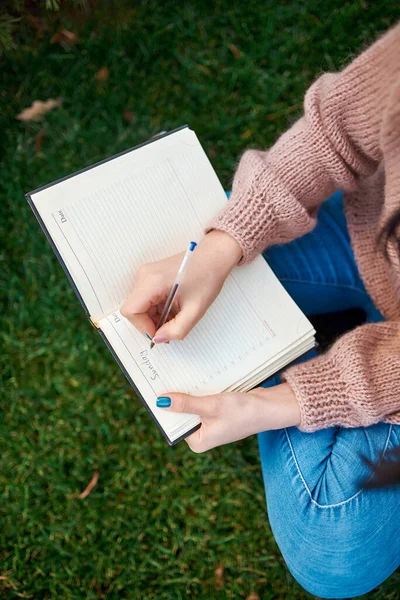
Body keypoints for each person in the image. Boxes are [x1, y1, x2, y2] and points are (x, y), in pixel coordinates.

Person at [121, 23, 400, 598]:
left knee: (331, 539)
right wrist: (223, 245)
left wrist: (286, 400)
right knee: (177, 257)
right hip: (372, 244)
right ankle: (301, 332)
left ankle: (289, 347)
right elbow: (335, 131)